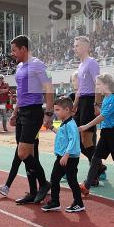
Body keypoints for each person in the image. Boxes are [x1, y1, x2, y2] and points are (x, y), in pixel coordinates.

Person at [9, 35, 53, 205]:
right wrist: (14, 113)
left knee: (23, 153)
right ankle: (33, 191)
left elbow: (49, 89)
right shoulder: (19, 67)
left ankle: (43, 183)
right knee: (30, 153)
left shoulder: (38, 64)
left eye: (14, 50)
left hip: (34, 113)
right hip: (22, 113)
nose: (12, 53)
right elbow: (20, 93)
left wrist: (48, 114)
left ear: (23, 49)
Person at [41, 97, 85, 213]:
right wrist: (51, 127)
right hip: (62, 157)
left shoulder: (71, 124)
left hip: (69, 158)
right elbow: (61, 134)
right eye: (55, 109)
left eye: (57, 110)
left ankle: (79, 203)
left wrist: (66, 154)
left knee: (71, 180)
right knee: (55, 178)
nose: (55, 112)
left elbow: (73, 140)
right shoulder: (64, 123)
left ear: (66, 110)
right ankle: (55, 202)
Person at [73, 36, 102, 180]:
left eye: (77, 45)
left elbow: (98, 84)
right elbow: (80, 88)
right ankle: (99, 166)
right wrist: (75, 105)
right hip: (82, 102)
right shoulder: (80, 65)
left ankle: (95, 173)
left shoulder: (92, 63)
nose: (75, 48)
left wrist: (96, 104)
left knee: (87, 139)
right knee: (78, 139)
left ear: (85, 47)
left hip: (90, 101)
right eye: (75, 45)